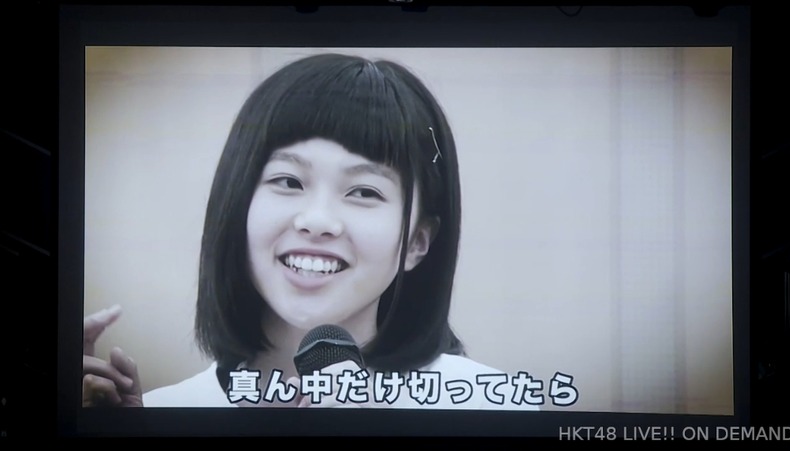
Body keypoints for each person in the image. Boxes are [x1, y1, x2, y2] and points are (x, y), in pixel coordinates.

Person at [82, 53, 540, 410]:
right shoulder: (161, 412)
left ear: (418, 241)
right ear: (238, 207)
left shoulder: (489, 407)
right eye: (288, 182)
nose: (317, 220)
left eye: (364, 191)